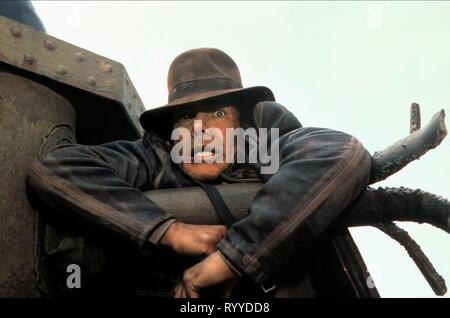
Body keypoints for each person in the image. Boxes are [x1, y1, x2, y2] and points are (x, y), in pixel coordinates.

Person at [26, 48, 371, 298]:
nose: (199, 129)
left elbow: (341, 152)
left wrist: (232, 258)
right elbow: (55, 170)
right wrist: (169, 231)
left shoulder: (266, 151)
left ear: (243, 125)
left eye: (218, 113)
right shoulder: (155, 158)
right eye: (185, 118)